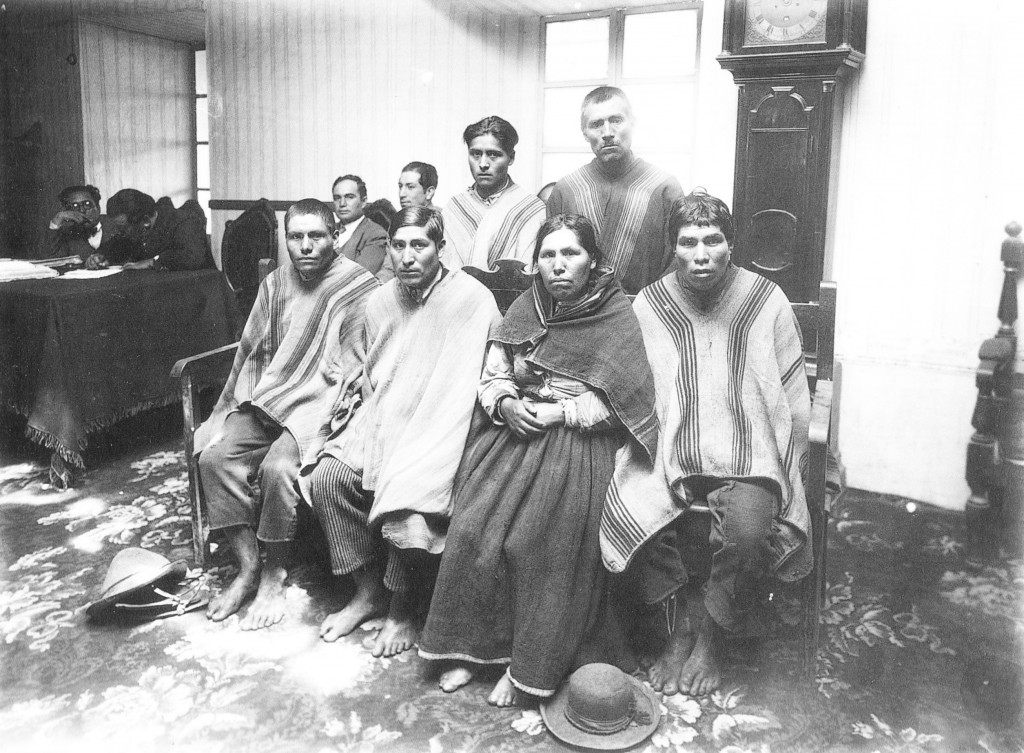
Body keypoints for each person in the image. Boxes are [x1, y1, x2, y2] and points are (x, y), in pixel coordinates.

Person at [419, 213, 658, 707]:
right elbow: (495, 371)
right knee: (472, 531)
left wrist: (556, 412)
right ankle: (472, 649)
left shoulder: (614, 316)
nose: (559, 265)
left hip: (578, 445)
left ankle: (522, 663)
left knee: (537, 541)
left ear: (593, 262)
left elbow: (620, 406)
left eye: (570, 254)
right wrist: (505, 403)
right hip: (511, 437)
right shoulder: (529, 306)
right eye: (548, 255)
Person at [600, 191, 812, 696]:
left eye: (713, 240)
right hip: (673, 449)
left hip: (750, 455)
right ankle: (678, 632)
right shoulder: (652, 303)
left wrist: (787, 460)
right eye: (688, 241)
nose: (701, 254)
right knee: (630, 503)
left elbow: (793, 395)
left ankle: (711, 640)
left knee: (745, 532)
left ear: (731, 244)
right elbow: (639, 386)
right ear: (673, 248)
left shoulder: (766, 300)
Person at [308, 206, 500, 658]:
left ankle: (401, 605)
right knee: (328, 478)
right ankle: (367, 589)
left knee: (405, 494)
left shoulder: (472, 299)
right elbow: (369, 371)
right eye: (399, 245)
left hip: (447, 424)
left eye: (420, 245)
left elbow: (485, 375)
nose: (408, 256)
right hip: (384, 417)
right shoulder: (380, 300)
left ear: (441, 248)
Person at [193, 199, 378, 630]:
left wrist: (333, 392)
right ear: (286, 240)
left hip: (325, 400)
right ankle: (248, 567)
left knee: (279, 468)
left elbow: (363, 361)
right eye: (296, 237)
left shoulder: (359, 286)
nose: (306, 246)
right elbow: (249, 351)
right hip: (271, 394)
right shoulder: (275, 284)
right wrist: (222, 410)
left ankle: (274, 574)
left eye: (317, 236)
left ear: (335, 236)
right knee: (215, 459)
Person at [546, 86, 684, 294]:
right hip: (576, 314)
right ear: (584, 132)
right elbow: (550, 257)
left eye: (616, 121)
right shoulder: (567, 189)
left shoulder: (664, 187)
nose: (608, 133)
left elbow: (679, 256)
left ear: (633, 123)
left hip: (643, 311)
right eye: (596, 124)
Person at [442, 115, 545, 270]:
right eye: (476, 154)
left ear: (511, 158)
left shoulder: (530, 209)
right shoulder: (454, 207)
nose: (483, 164)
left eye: (493, 154)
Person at [101, 189, 213, 270]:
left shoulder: (184, 221)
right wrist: (100, 256)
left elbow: (193, 257)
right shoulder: (137, 227)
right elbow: (116, 245)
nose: (119, 232)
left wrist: (153, 262)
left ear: (145, 221)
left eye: (122, 228)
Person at [332, 174, 393, 281]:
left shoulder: (376, 234)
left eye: (349, 197)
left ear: (364, 201)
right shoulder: (327, 230)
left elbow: (359, 278)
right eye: (337, 198)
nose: (342, 203)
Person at [43, 184, 112, 268]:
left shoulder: (115, 225)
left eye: (87, 204)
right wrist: (57, 220)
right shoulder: (67, 234)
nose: (82, 210)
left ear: (98, 207)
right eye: (75, 206)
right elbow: (48, 259)